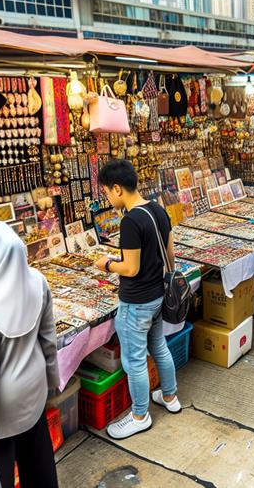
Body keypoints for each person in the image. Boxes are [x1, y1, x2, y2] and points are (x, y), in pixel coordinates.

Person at [0, 221, 60, 488]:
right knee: (39, 464)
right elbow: (48, 339)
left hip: (3, 408)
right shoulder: (37, 281)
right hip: (35, 389)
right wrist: (52, 381)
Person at [93, 160, 181, 440]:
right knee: (159, 347)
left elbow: (130, 268)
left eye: (107, 191)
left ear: (118, 188)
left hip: (137, 302)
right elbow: (170, 253)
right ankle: (170, 397)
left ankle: (140, 415)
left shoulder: (131, 220)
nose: (107, 197)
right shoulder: (157, 209)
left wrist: (106, 263)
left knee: (134, 360)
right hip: (156, 295)